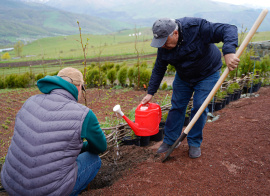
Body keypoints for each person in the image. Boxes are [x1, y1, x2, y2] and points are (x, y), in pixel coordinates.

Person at [141, 17, 240, 158]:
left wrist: (229, 51)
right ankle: (170, 140)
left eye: (165, 42)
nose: (162, 46)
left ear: (175, 33)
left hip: (207, 73)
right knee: (177, 106)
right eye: (160, 43)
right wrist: (150, 92)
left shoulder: (197, 27)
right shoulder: (163, 46)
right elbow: (159, 68)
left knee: (200, 106)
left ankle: (194, 142)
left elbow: (229, 29)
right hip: (184, 76)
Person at [1, 67, 107, 195]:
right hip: (48, 192)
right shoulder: (84, 115)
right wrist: (83, 147)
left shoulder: (30, 101)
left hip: (12, 185)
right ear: (78, 87)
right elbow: (101, 146)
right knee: (93, 159)